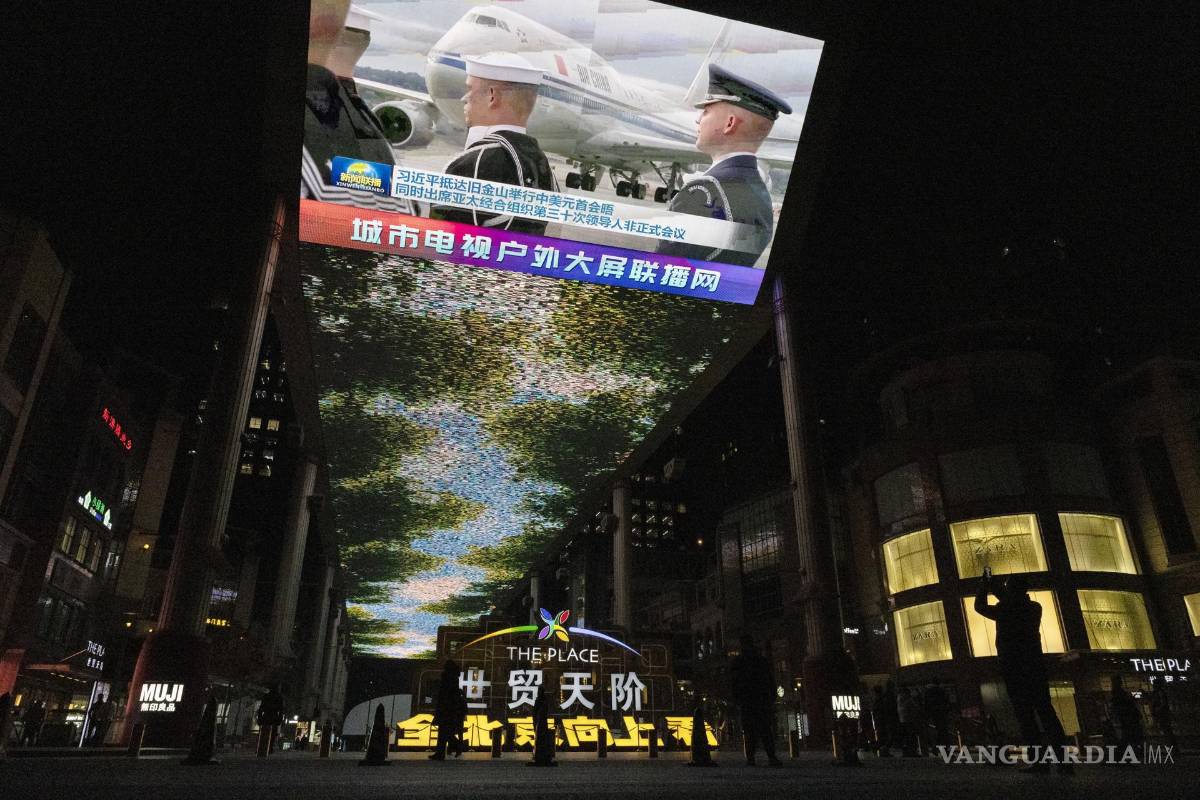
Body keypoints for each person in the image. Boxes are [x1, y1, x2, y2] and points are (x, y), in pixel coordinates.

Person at [656, 64, 791, 267]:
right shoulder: (761, 197)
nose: (698, 120)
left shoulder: (703, 193)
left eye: (706, 111)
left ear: (730, 123)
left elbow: (663, 268)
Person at [430, 53, 558, 233]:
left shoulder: (470, 166)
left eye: (470, 89)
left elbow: (440, 241)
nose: (464, 98)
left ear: (492, 96)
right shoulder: (545, 171)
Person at [974, 573, 1070, 774]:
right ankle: (1063, 761)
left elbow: (980, 607)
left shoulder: (1005, 608)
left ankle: (1039, 762)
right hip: (1035, 665)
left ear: (1011, 589)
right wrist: (997, 587)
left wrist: (985, 586)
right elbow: (1011, 601)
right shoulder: (1034, 608)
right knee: (1047, 713)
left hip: (1014, 666)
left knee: (1025, 716)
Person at [730, 634, 781, 766]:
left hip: (748, 700)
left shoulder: (739, 662)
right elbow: (769, 679)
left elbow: (734, 682)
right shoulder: (760, 660)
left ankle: (751, 758)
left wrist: (736, 698)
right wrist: (771, 695)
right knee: (765, 730)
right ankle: (770, 757)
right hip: (760, 699)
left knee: (750, 731)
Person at [430, 660, 466, 760]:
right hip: (451, 710)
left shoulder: (447, 677)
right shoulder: (454, 678)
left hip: (445, 709)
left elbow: (444, 694)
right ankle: (443, 751)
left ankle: (444, 751)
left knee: (443, 732)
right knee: (445, 732)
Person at [1109, 674, 1144, 751]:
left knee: (1127, 734)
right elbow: (1127, 701)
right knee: (1130, 733)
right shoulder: (1119, 692)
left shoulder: (1116, 692)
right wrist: (1135, 697)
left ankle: (1125, 748)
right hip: (1128, 716)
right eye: (1120, 681)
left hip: (1125, 717)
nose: (1121, 682)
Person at [256, 685, 286, 754]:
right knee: (272, 734)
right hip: (273, 717)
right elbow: (281, 710)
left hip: (266, 716)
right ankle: (269, 748)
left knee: (264, 733)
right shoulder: (279, 697)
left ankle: (262, 748)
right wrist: (279, 719)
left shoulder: (266, 696)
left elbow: (261, 708)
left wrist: (260, 718)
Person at [1148, 678, 1176, 749]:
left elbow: (1163, 703)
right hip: (1162, 715)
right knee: (1167, 731)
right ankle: (1172, 746)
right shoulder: (1159, 692)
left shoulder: (1159, 693)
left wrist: (1157, 709)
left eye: (1154, 684)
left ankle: (1171, 746)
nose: (1153, 686)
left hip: (1162, 715)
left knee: (1166, 731)